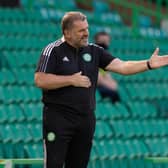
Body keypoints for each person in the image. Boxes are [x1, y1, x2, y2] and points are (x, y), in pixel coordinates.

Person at [34, 11, 168, 168]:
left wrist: (148, 64)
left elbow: (123, 66)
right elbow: (40, 79)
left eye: (87, 28)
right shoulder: (53, 50)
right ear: (67, 33)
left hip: (85, 120)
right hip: (58, 119)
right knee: (53, 165)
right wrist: (70, 80)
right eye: (81, 30)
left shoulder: (95, 50)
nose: (86, 33)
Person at [94, 31, 120, 103]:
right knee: (113, 94)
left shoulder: (105, 57)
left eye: (107, 42)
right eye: (102, 42)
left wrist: (113, 85)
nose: (105, 44)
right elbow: (97, 79)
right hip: (94, 88)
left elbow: (108, 76)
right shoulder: (93, 56)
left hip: (102, 86)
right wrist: (111, 85)